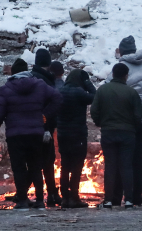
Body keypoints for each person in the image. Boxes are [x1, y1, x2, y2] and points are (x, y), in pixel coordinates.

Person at [0, 58, 62, 210]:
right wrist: (45, 115)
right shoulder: (40, 85)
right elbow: (57, 97)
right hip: (36, 133)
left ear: (13, 72)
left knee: (19, 168)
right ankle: (39, 201)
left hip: (15, 135)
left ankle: (22, 200)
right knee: (36, 166)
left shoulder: (6, 89)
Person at [91, 62, 142, 209]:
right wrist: (133, 127)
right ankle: (129, 200)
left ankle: (108, 200)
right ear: (126, 76)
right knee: (126, 166)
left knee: (110, 166)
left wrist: (101, 122)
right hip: (127, 133)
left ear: (113, 74)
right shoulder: (131, 92)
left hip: (108, 132)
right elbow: (138, 115)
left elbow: (94, 110)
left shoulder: (102, 90)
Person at [116, 36, 142, 207]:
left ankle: (125, 196)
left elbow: (113, 88)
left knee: (123, 159)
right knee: (138, 159)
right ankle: (137, 196)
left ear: (122, 51)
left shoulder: (120, 68)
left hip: (127, 121)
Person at [57, 68, 96, 208]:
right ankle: (74, 196)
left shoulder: (60, 91)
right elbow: (94, 96)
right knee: (77, 166)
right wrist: (87, 82)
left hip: (62, 134)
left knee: (65, 166)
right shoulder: (79, 92)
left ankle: (64, 197)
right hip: (77, 134)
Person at [32, 49, 61, 206]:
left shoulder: (31, 78)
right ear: (49, 63)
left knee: (34, 162)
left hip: (29, 127)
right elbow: (52, 104)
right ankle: (51, 194)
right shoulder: (47, 81)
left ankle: (38, 196)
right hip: (43, 128)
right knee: (48, 163)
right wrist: (48, 126)